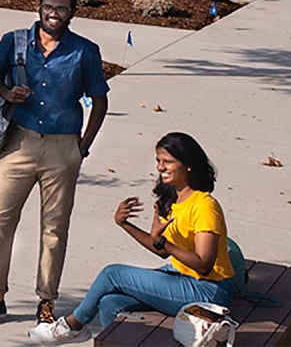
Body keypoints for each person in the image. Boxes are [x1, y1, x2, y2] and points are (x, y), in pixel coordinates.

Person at [0, 0, 109, 325]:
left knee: (54, 228)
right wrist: (7, 91)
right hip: (18, 143)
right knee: (0, 221)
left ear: (72, 11)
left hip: (64, 146)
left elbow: (100, 100)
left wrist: (83, 147)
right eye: (48, 7)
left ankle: (46, 301)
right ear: (39, 7)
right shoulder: (14, 42)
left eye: (61, 8)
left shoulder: (84, 51)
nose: (54, 14)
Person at [28, 132, 236, 345]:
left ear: (188, 166)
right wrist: (125, 224)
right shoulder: (173, 198)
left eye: (168, 162)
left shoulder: (204, 206)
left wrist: (164, 242)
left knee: (113, 273)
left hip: (208, 290)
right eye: (158, 161)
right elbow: (162, 249)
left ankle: (73, 326)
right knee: (111, 303)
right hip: (181, 276)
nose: (160, 167)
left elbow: (203, 264)